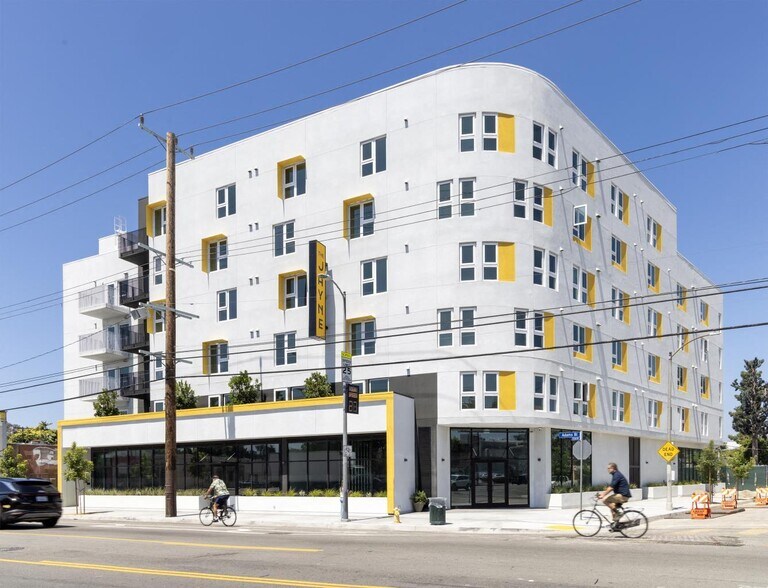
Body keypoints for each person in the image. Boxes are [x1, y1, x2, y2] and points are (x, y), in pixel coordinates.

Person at [597, 462, 631, 530]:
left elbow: (611, 487)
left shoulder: (617, 475)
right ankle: (616, 525)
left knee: (605, 500)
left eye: (609, 468)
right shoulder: (616, 474)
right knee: (612, 508)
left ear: (613, 468)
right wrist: (603, 494)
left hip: (622, 496)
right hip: (622, 495)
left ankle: (619, 513)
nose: (608, 470)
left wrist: (603, 495)